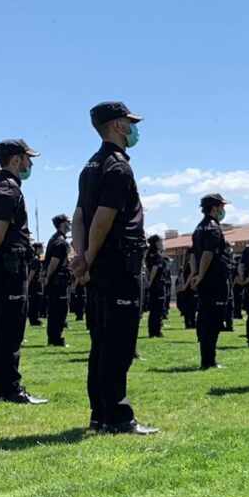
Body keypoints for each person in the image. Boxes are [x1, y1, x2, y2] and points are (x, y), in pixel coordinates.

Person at [71, 102, 155, 433]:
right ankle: (118, 417)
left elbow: (79, 216)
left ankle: (99, 415)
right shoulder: (118, 167)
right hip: (118, 265)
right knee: (118, 344)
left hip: (99, 265)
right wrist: (87, 257)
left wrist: (81, 256)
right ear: (118, 126)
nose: (134, 129)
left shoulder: (90, 167)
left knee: (101, 342)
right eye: (130, 123)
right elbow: (103, 219)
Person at [0, 139, 48, 405]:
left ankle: (2, 387)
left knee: (4, 327)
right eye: (28, 159)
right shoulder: (8, 189)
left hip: (1, 266)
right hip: (9, 267)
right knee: (11, 329)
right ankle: (9, 389)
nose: (29, 164)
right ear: (16, 159)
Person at [191, 193, 233, 370]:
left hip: (205, 280)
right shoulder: (213, 228)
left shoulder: (199, 228)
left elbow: (193, 254)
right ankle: (209, 360)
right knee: (213, 320)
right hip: (214, 279)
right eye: (222, 206)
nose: (223, 210)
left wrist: (195, 274)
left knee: (205, 318)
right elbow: (208, 254)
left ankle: (206, 358)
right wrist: (200, 275)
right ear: (215, 208)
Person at [43, 215, 72, 346]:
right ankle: (56, 338)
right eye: (68, 222)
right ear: (62, 224)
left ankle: (54, 338)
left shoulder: (54, 239)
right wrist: (48, 277)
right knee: (59, 310)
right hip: (58, 281)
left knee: (55, 310)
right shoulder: (61, 242)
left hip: (55, 281)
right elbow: (54, 262)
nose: (70, 224)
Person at [145, 236, 169, 338]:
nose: (162, 243)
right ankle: (157, 331)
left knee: (153, 309)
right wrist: (150, 281)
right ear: (156, 243)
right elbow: (154, 269)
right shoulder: (157, 256)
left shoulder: (148, 254)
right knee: (158, 309)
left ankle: (152, 330)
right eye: (160, 241)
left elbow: (147, 268)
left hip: (153, 284)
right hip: (158, 284)